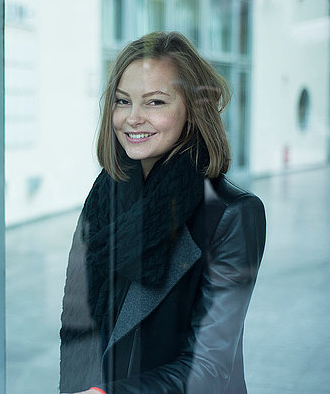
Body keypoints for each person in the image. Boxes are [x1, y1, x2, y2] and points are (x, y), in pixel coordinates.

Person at [59, 31, 266, 394]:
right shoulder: (104, 199)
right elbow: (80, 326)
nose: (133, 118)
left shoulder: (231, 214)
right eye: (123, 101)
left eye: (155, 103)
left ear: (192, 109)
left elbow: (209, 368)